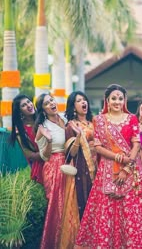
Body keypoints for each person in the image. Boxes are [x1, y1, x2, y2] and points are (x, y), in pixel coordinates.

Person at [75, 84, 142, 249]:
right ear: (107, 100)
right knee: (106, 210)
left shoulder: (132, 119)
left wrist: (126, 168)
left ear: (124, 100)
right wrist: (118, 157)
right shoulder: (99, 120)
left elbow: (136, 144)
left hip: (130, 170)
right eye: (114, 98)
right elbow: (98, 146)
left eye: (120, 98)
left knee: (132, 212)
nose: (117, 101)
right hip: (106, 170)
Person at [59, 91, 96, 249]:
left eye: (84, 100)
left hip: (101, 169)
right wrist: (79, 137)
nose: (83, 103)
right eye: (79, 101)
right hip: (83, 169)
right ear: (73, 106)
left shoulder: (94, 122)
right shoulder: (71, 126)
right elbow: (70, 154)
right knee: (85, 204)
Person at [34, 93, 67, 249]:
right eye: (47, 103)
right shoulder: (43, 127)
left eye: (52, 100)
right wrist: (48, 140)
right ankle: (55, 243)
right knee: (57, 206)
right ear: (43, 109)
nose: (52, 104)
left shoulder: (65, 119)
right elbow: (44, 156)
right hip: (53, 166)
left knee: (69, 204)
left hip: (69, 164)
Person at [10, 94, 44, 184]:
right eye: (23, 105)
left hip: (57, 161)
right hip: (40, 167)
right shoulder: (21, 132)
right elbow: (29, 155)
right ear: (20, 112)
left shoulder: (43, 119)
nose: (28, 105)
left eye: (28, 102)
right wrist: (48, 154)